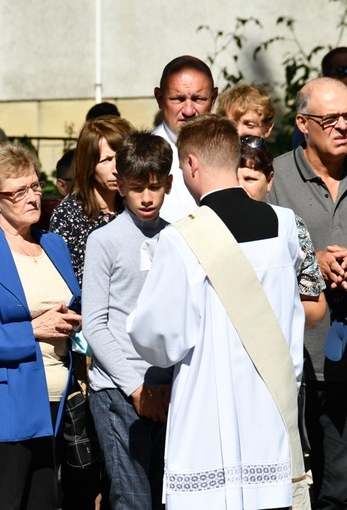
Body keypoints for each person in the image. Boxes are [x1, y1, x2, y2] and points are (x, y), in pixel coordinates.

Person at [127, 114, 309, 509]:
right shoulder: (284, 225)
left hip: (210, 416)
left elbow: (161, 341)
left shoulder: (182, 238)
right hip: (273, 404)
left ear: (192, 163)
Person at [266, 77, 347, 509]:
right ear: (303, 123)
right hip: (289, 361)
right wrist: (311, 261)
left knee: (341, 486)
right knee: (289, 483)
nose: (343, 126)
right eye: (330, 119)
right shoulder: (275, 176)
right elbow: (252, 261)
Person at [0, 141, 82, 510]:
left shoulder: (54, 244)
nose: (33, 197)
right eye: (19, 191)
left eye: (36, 185)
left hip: (55, 405)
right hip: (2, 410)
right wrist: (32, 330)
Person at [82, 131, 174, 509]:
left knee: (165, 494)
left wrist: (168, 381)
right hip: (119, 391)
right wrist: (136, 389)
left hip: (168, 389)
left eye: (155, 187)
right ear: (120, 185)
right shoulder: (103, 240)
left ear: (169, 183)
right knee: (133, 497)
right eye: (137, 188)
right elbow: (94, 324)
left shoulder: (175, 237)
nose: (147, 197)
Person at [237, 135, 327, 327]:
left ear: (269, 181)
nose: (240, 188)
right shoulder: (210, 223)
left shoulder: (291, 226)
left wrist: (278, 308)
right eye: (234, 179)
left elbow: (316, 307)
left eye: (250, 179)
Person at [50, 116, 133, 284]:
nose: (116, 169)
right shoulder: (68, 215)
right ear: (89, 165)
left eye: (121, 157)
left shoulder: (137, 205)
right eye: (106, 160)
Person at [152, 55, 218, 222]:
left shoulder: (230, 149)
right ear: (160, 99)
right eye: (178, 99)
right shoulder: (143, 153)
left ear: (213, 99)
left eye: (198, 99)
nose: (188, 110)